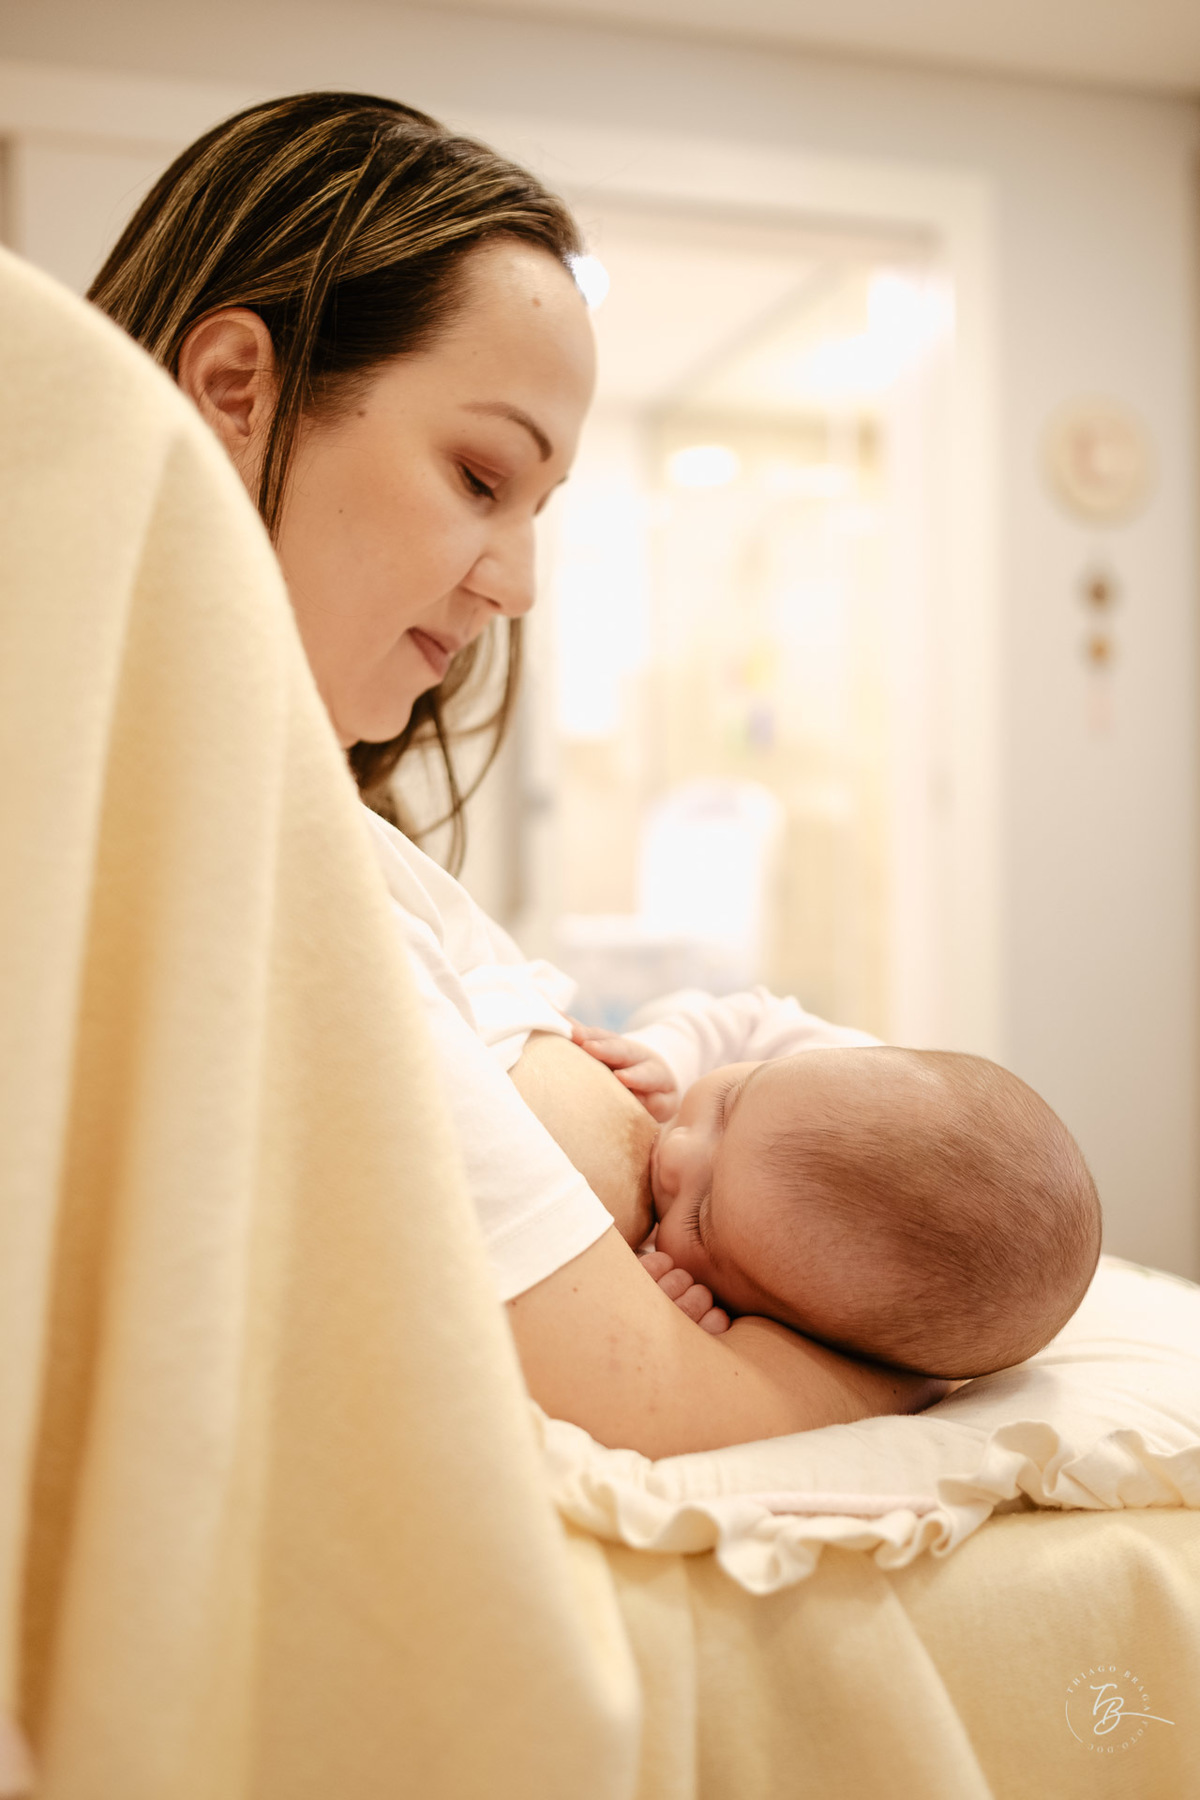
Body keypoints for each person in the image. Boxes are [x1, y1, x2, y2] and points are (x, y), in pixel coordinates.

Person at [90, 90, 951, 1458]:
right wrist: (926, 1350)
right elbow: (658, 1403)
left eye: (537, 509)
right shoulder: (220, 853)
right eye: (481, 474)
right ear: (235, 392)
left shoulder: (277, 813)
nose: (521, 584)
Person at [570, 1000, 1103, 1376]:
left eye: (701, 1216)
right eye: (728, 1103)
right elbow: (752, 1017)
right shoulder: (840, 1068)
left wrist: (675, 1314)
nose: (678, 1153)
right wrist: (668, 1055)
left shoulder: (814, 1306)